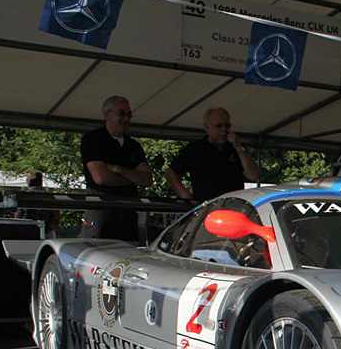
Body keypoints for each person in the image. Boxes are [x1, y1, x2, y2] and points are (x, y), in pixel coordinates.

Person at [79, 95, 152, 241]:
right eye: (121, 114)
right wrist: (132, 177)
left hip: (128, 213)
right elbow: (100, 178)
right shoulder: (92, 139)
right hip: (100, 212)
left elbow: (147, 179)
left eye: (129, 114)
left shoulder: (134, 146)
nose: (125, 119)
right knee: (96, 254)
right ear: (107, 115)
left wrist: (118, 169)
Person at [166, 107, 259, 202]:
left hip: (232, 207)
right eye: (218, 126)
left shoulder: (235, 148)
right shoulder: (195, 149)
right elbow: (170, 172)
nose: (224, 130)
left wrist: (238, 148)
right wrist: (185, 194)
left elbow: (253, 175)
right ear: (207, 127)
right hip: (206, 207)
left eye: (227, 126)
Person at [14, 170, 61, 237]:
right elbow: (56, 217)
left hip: (26, 232)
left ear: (29, 181)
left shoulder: (24, 196)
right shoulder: (49, 196)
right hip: (46, 232)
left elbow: (17, 217)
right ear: (41, 182)